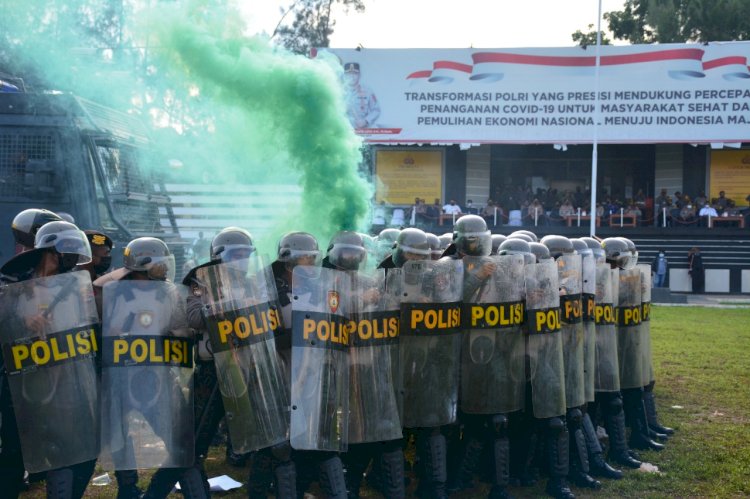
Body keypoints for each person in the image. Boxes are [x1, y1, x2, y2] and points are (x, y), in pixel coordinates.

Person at [1, 220, 98, 499]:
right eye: (65, 253)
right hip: (21, 382)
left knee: (75, 450)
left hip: (65, 378)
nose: (70, 261)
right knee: (15, 455)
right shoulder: (12, 282)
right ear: (49, 250)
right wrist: (22, 319)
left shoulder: (73, 286)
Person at [343, 62, 381, 129]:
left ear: (359, 75)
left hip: (362, 131)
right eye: (349, 74)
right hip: (343, 131)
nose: (352, 76)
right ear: (344, 75)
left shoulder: (368, 91)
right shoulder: (338, 91)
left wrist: (366, 121)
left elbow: (376, 110)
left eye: (355, 73)